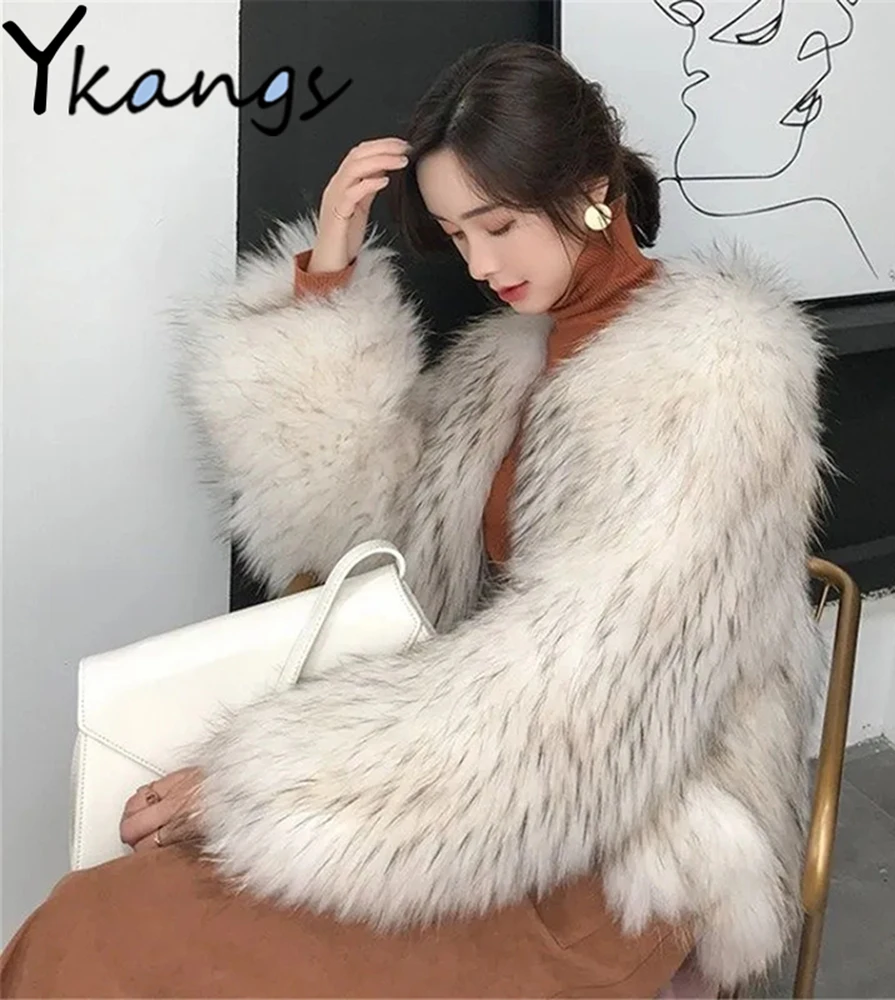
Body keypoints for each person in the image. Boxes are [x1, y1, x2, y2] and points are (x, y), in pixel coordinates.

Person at [1, 39, 832, 998]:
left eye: (498, 225)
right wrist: (328, 274)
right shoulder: (507, 360)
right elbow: (362, 531)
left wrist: (263, 783)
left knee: (122, 946)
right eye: (454, 234)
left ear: (593, 189)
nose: (480, 264)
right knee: (96, 924)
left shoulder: (717, 379)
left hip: (631, 840)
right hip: (472, 771)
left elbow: (583, 707)